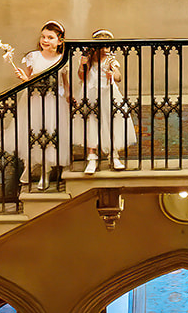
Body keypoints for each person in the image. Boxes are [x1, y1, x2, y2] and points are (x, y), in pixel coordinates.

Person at [8, 21, 71, 190]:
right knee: (32, 131)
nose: (45, 40)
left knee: (49, 133)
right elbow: (27, 79)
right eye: (43, 37)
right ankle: (29, 167)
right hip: (34, 100)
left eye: (50, 37)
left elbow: (65, 83)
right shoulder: (33, 57)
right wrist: (24, 78)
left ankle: (45, 171)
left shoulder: (61, 59)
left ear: (59, 41)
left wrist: (69, 98)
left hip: (52, 101)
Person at [74, 32, 137, 172]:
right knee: (91, 122)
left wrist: (112, 74)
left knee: (112, 121)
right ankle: (92, 156)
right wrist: (82, 65)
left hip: (108, 92)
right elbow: (82, 76)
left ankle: (114, 155)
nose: (105, 49)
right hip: (90, 92)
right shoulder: (89, 60)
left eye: (108, 46)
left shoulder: (111, 60)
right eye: (102, 46)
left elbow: (118, 76)